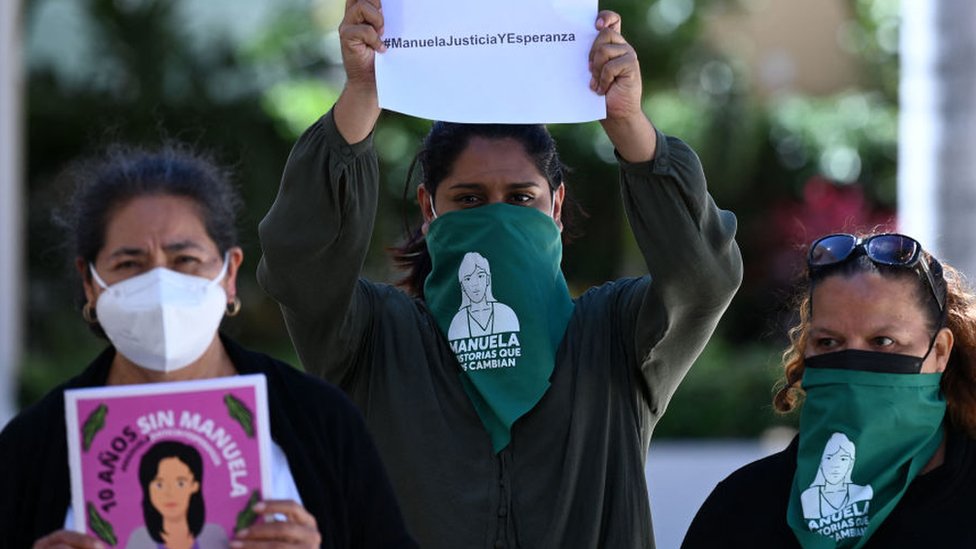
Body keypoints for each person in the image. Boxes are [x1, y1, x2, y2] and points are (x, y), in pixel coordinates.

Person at [258, 2, 742, 547]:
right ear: (428, 208)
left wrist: (630, 125)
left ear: (556, 206)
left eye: (520, 198)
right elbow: (301, 268)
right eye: (469, 200)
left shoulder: (614, 338)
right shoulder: (374, 340)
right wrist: (361, 97)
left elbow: (704, 279)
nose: (497, 217)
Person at [0, 144, 416, 549]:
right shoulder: (32, 446)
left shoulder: (320, 419)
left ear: (230, 272)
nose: (160, 285)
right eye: (129, 264)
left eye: (185, 260)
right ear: (90, 283)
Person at [682, 232, 976, 548]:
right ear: (808, 350)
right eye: (829, 342)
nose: (852, 364)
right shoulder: (741, 508)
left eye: (883, 341)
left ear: (941, 352)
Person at [126, 441, 227, 548]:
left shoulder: (215, 534)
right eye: (159, 485)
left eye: (180, 483)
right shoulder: (139, 539)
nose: (170, 493)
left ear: (194, 485)